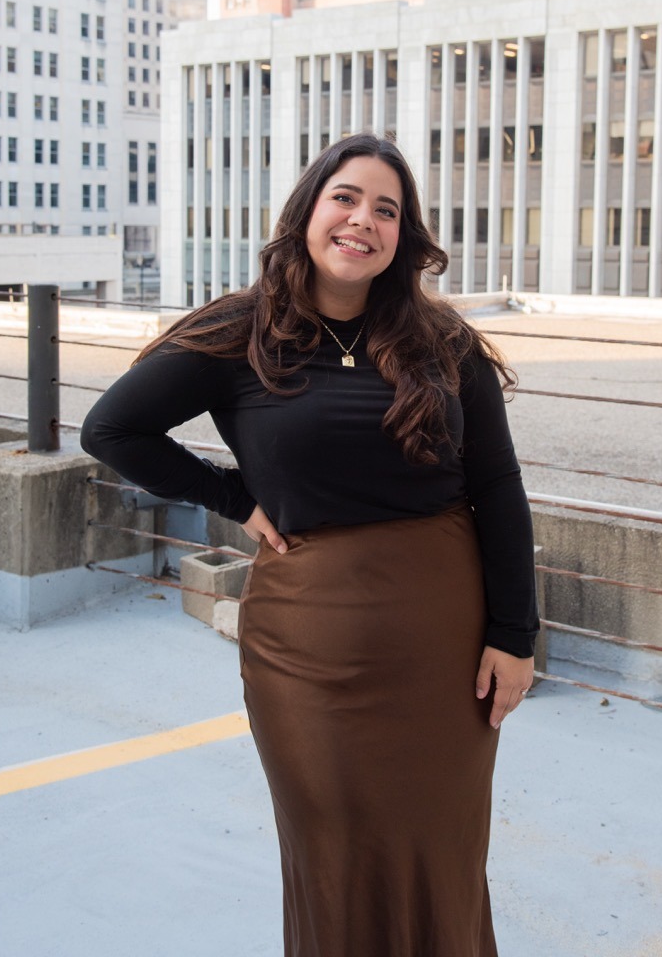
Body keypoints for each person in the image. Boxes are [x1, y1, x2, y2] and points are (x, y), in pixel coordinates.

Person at [81, 133, 538, 957]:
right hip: (308, 656)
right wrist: (233, 497)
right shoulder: (240, 331)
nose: (363, 221)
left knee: (443, 855)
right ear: (308, 210)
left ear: (403, 236)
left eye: (386, 210)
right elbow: (112, 429)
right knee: (337, 860)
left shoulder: (442, 343)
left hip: (444, 651)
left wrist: (515, 634)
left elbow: (498, 485)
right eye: (346, 198)